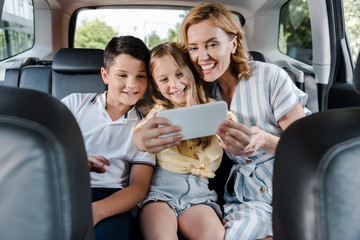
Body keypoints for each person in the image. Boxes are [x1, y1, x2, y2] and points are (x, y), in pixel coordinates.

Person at [134, 3, 311, 240]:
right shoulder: (199, 94)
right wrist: (141, 138)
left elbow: (306, 149)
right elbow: (152, 119)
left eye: (212, 44)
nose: (202, 56)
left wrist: (264, 140)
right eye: (193, 47)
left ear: (234, 43)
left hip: (291, 183)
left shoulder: (271, 78)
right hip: (247, 197)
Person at [134, 42, 238, 240]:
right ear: (156, 86)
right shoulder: (160, 112)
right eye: (164, 79)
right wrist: (142, 139)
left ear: (191, 72)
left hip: (200, 194)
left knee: (214, 235)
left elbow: (232, 127)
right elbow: (140, 135)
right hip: (161, 191)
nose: (175, 84)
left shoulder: (214, 109)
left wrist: (229, 134)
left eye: (180, 74)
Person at [61, 35, 156, 240]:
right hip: (65, 188)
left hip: (112, 199)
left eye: (140, 76)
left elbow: (139, 187)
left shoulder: (146, 126)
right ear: (105, 75)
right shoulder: (74, 104)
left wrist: (97, 211)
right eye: (122, 75)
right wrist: (75, 162)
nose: (132, 84)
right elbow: (43, 148)